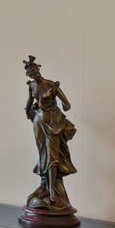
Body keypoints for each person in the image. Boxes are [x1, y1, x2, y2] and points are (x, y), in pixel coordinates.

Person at [23, 55, 77, 216]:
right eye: (30, 73)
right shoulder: (31, 86)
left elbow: (66, 104)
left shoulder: (51, 85)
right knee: (43, 155)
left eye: (34, 71)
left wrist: (65, 107)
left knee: (52, 155)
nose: (33, 74)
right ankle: (45, 187)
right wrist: (28, 112)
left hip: (53, 122)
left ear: (38, 69)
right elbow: (28, 103)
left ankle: (53, 191)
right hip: (39, 123)